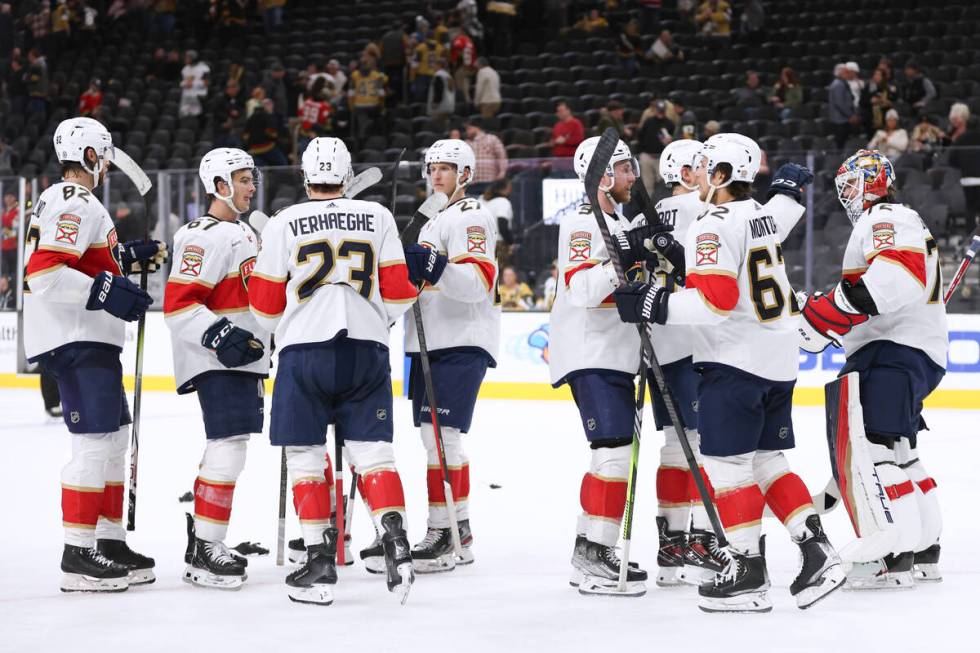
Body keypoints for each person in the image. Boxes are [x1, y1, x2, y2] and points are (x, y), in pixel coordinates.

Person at [613, 134, 844, 612]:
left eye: (704, 166)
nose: (696, 174)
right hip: (777, 359)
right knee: (766, 462)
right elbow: (730, 275)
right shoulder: (758, 214)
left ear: (720, 175)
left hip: (735, 361)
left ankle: (747, 572)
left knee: (727, 469)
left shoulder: (713, 223)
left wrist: (654, 304)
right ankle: (817, 551)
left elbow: (714, 302)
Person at [248, 137, 417, 605]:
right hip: (367, 349)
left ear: (305, 177)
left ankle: (320, 563)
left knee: (304, 456)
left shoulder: (283, 221)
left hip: (304, 351)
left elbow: (263, 309)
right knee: (374, 454)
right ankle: (397, 545)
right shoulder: (379, 216)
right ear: (347, 176)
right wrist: (372, 318)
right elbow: (402, 295)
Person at [24, 117, 166, 592]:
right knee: (95, 444)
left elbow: (81, 259)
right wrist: (109, 289)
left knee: (116, 438)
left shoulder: (73, 202)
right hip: (77, 338)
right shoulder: (75, 199)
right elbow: (43, 274)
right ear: (89, 156)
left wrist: (124, 258)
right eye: (102, 155)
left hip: (90, 338)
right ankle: (77, 553)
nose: (105, 164)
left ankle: (107, 541)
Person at [798, 149, 946, 587]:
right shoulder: (902, 219)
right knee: (903, 453)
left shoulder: (884, 217)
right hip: (908, 351)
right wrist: (832, 314)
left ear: (871, 182)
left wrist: (824, 313)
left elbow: (894, 280)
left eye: (849, 184)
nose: (844, 194)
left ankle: (892, 554)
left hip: (890, 353)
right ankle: (924, 547)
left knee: (876, 451)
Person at [549, 136, 662, 597]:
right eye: (624, 168)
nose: (634, 176)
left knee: (607, 455)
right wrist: (627, 251)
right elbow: (581, 289)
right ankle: (597, 552)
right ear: (600, 176)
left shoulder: (617, 219)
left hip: (614, 355)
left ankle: (588, 548)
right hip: (590, 352)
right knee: (614, 454)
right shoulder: (581, 221)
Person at [163, 149, 269, 589]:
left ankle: (203, 542)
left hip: (244, 360)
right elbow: (178, 305)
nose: (250, 186)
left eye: (251, 179)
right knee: (228, 446)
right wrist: (221, 336)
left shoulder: (243, 232)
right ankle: (208, 548)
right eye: (243, 179)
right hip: (218, 359)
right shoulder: (202, 235)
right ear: (220, 185)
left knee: (228, 446)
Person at [402, 139, 500, 572]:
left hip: (459, 340)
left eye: (446, 168)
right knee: (435, 438)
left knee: (441, 438)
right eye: (432, 168)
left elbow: (477, 282)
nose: (436, 175)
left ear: (465, 174)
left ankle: (443, 532)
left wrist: (432, 265)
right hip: (428, 342)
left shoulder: (471, 215)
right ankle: (456, 528)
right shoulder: (430, 221)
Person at [636, 99, 674, 192]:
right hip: (647, 156)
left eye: (662, 110)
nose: (660, 113)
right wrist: (641, 152)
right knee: (647, 185)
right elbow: (640, 137)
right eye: (659, 110)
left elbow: (673, 142)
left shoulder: (670, 124)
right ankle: (648, 206)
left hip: (661, 158)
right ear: (655, 110)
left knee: (664, 184)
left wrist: (670, 141)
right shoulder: (648, 122)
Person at [348, 55, 387, 144]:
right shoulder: (377, 75)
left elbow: (350, 94)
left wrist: (351, 107)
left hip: (359, 106)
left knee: (363, 127)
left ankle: (363, 143)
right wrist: (382, 105)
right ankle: (378, 140)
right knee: (377, 123)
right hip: (374, 105)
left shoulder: (354, 75)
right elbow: (382, 93)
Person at [464, 117, 508, 189]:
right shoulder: (466, 143)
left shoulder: (492, 138)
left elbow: (502, 156)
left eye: (469, 129)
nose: (467, 132)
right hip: (472, 183)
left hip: (489, 180)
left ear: (476, 127)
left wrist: (502, 172)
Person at [481, 178, 515, 268]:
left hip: (480, 242)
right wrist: (510, 243)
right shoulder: (503, 202)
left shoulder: (481, 201)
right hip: (498, 244)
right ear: (506, 188)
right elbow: (502, 225)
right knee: (499, 275)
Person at [829, 63, 859, 150]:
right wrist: (851, 115)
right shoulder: (838, 84)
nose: (848, 73)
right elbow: (840, 103)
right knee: (841, 145)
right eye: (846, 71)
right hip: (840, 121)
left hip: (842, 119)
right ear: (841, 73)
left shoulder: (842, 83)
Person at [179, 50, 210, 122]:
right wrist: (185, 84)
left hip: (200, 95)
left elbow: (207, 83)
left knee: (197, 117)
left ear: (193, 58)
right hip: (188, 95)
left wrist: (193, 84)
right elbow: (182, 82)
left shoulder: (203, 68)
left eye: (187, 58)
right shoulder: (185, 69)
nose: (185, 59)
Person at [427, 58, 455, 129]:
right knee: (445, 127)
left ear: (439, 65)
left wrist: (435, 103)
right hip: (449, 105)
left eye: (435, 65)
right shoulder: (448, 75)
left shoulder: (438, 75)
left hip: (440, 106)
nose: (433, 66)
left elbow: (439, 90)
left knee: (438, 129)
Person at [1, 190, 17, 278]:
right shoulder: (2, 211)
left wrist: (6, 230)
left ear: (14, 198)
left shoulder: (17, 211)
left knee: (12, 271)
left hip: (13, 247)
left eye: (10, 196)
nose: (7, 199)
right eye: (6, 196)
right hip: (3, 247)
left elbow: (15, 227)